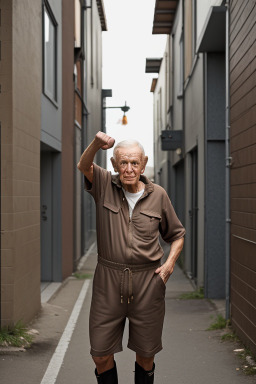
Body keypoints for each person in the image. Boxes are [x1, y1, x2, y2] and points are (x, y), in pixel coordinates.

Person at [77, 131, 185, 384]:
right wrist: (96, 144)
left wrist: (168, 266)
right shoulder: (104, 184)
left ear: (144, 163)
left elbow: (178, 235)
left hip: (148, 282)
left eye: (134, 163)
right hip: (108, 281)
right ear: (114, 164)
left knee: (146, 355)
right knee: (101, 354)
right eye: (123, 162)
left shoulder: (158, 195)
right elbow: (83, 165)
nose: (128, 168)